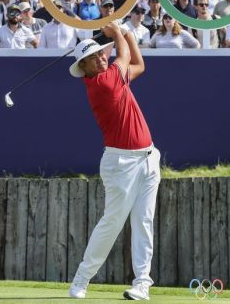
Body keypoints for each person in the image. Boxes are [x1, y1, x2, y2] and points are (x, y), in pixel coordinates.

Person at [67, 23, 160, 301]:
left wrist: (129, 34)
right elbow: (123, 58)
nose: (100, 58)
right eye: (93, 58)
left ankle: (142, 284)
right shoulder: (102, 83)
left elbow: (139, 65)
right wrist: (118, 32)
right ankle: (81, 280)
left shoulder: (113, 77)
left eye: (100, 54)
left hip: (149, 158)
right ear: (84, 68)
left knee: (144, 221)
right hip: (121, 163)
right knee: (113, 222)